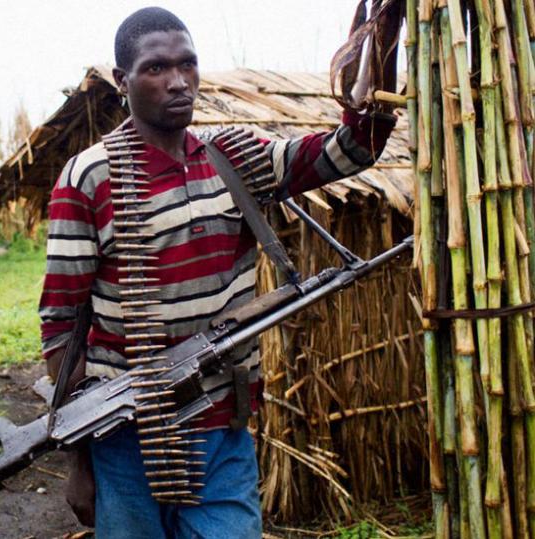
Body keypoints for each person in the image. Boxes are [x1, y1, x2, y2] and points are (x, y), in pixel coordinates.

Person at [38, 7, 398, 539]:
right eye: (156, 68)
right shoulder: (88, 176)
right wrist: (80, 461)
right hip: (128, 437)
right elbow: (62, 324)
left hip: (221, 429)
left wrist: (382, 44)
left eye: (188, 64)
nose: (179, 81)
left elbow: (349, 152)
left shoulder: (233, 155)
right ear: (122, 81)